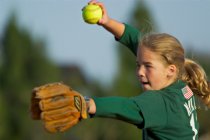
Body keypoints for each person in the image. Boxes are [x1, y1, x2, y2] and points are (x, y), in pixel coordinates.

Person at [84, 1, 210, 140]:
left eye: (148, 66)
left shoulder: (160, 101)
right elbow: (137, 41)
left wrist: (88, 104)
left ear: (171, 70)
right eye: (138, 65)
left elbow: (125, 107)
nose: (140, 72)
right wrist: (107, 22)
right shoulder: (180, 84)